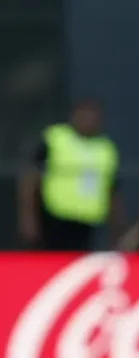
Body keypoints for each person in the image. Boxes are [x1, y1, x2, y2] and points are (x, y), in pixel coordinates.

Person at [17, 100, 123, 251]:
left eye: (93, 118)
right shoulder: (55, 138)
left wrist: (116, 229)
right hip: (55, 219)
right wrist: (28, 217)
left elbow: (112, 191)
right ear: (74, 116)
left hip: (90, 223)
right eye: (84, 116)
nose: (89, 121)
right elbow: (30, 177)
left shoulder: (106, 149)